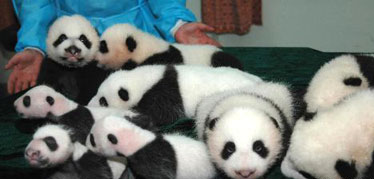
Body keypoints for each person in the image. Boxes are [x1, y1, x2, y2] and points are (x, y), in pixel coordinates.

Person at [5, 0, 221, 94]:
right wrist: (33, 47)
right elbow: (37, 4)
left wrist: (178, 24)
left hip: (132, 38)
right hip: (71, 42)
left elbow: (163, 1)